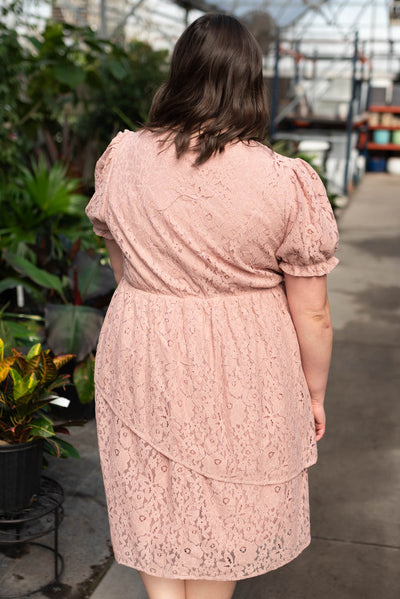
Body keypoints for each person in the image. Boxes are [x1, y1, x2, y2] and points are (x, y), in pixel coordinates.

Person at [85, 13, 339, 599]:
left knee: (155, 487)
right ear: (250, 82)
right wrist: (315, 391)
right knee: (226, 504)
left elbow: (123, 267)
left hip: (143, 343)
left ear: (180, 73)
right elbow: (314, 312)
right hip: (243, 357)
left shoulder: (122, 158)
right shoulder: (284, 180)